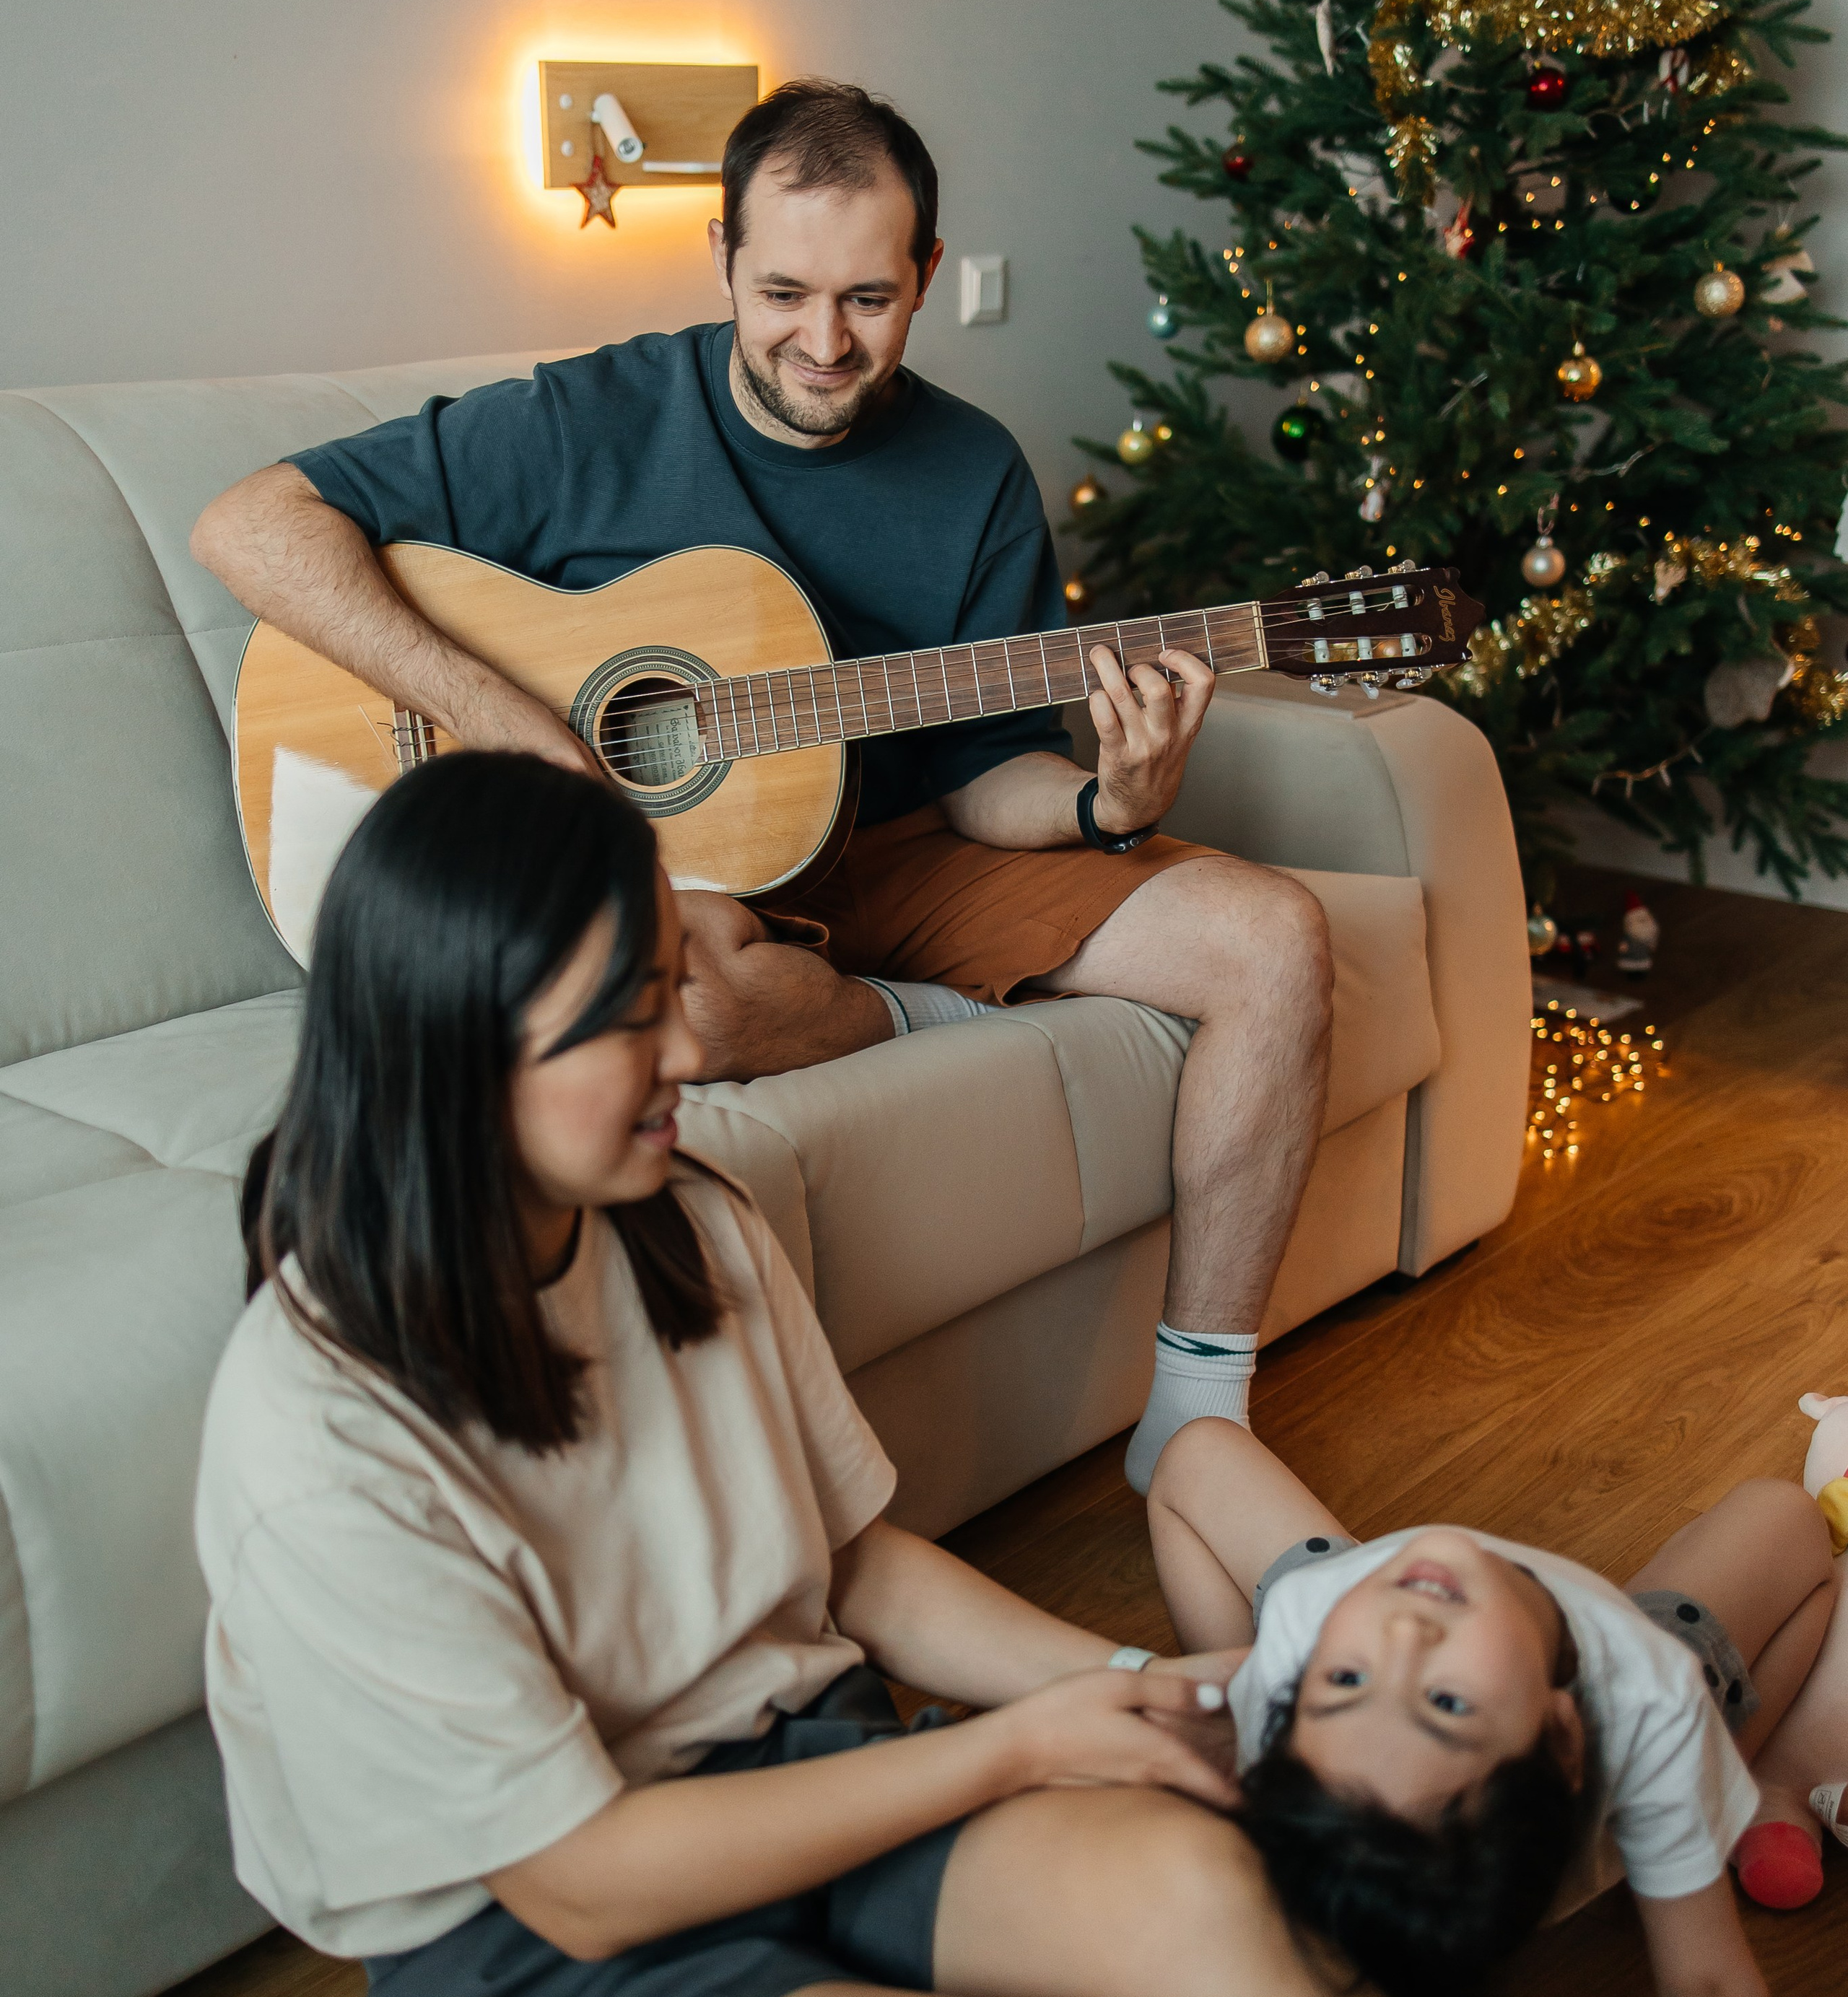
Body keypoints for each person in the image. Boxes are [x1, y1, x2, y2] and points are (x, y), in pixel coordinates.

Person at [195, 752, 1664, 1997]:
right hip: (553, 1990)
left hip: (818, 1785)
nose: (691, 1047)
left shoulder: (683, 1217)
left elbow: (853, 1563)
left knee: (1207, 1886)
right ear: (452, 1054)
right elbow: (583, 1880)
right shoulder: (318, 1435)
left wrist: (1128, 1694)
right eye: (620, 1026)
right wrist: (1023, 1748)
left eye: (674, 983)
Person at [189, 77, 1333, 1493]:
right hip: (682, 890)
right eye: (782, 291)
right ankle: (903, 1011)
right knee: (691, 1008)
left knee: (1272, 937)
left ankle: (1197, 1413)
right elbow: (250, 524)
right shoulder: (584, 419)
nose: (823, 341)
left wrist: (1111, 803)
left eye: (867, 297)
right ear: (722, 261)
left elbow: (987, 778)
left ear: (923, 275)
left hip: (898, 842)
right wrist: (507, 723)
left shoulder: (969, 467)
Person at [1143, 1414, 1848, 1997]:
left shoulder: (1319, 1620)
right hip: (1603, 1782)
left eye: (1344, 1683)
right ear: (1564, 1741)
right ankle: (1759, 1789)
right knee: (1792, 1525)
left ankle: (1322, 1832)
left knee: (1193, 1455)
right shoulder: (1650, 1694)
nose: (1402, 1635)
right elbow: (1709, 1995)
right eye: (1445, 1704)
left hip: (1372, 1787)